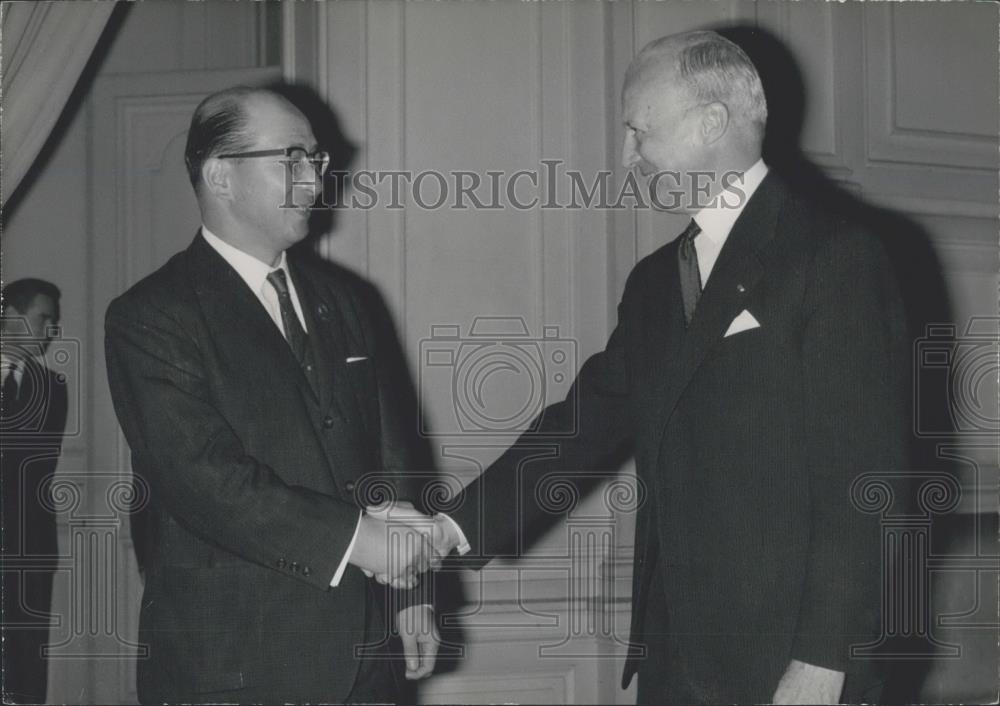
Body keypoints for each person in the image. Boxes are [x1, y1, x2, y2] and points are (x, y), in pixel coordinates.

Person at [410, 30, 909, 704]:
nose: (626, 156)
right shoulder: (653, 283)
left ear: (712, 123)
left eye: (639, 132)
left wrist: (825, 659)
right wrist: (451, 528)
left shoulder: (832, 256)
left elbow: (865, 480)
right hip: (675, 661)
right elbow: (582, 426)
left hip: (792, 665)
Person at [104, 86, 441, 704]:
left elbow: (391, 458)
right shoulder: (150, 317)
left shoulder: (347, 301)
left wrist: (411, 595)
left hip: (368, 660)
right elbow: (203, 481)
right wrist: (360, 541)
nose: (315, 180)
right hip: (235, 667)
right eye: (292, 160)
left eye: (316, 159)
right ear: (220, 175)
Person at [1, 278, 68, 704]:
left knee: (27, 670)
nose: (51, 330)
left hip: (29, 551)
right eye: (45, 318)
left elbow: (35, 468)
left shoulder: (53, 388)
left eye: (55, 323)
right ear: (11, 315)